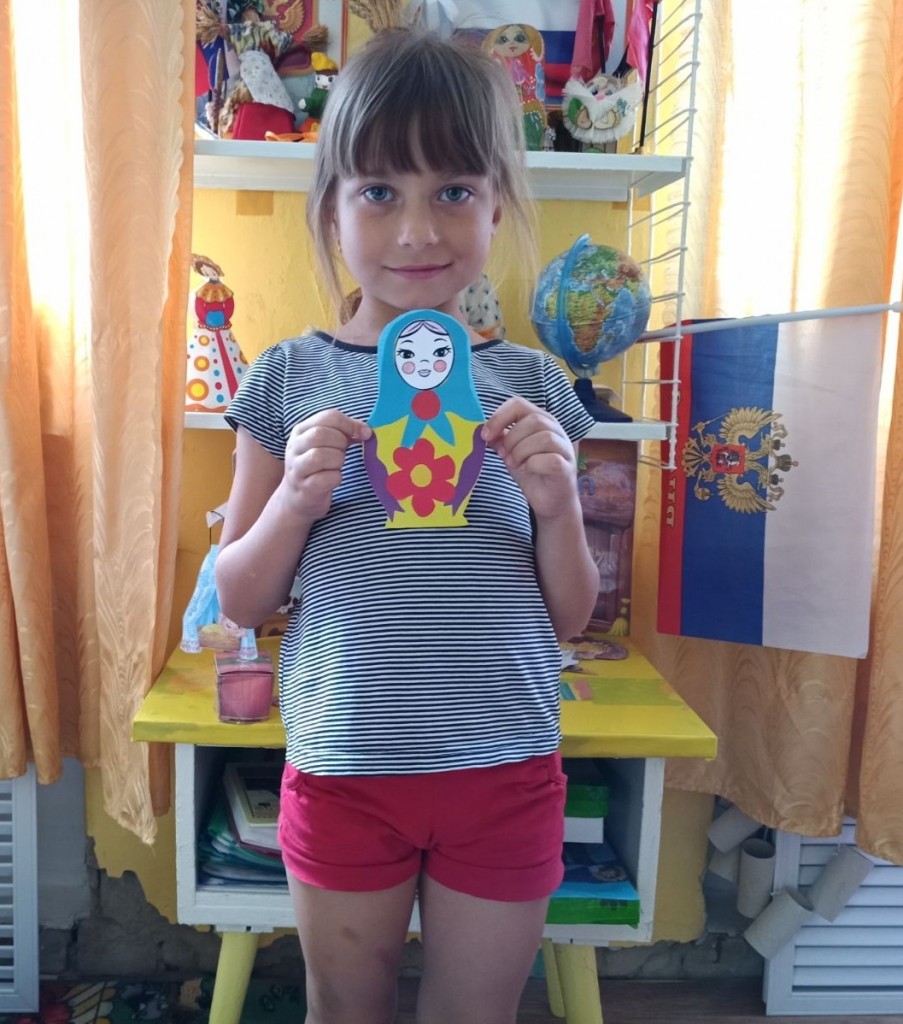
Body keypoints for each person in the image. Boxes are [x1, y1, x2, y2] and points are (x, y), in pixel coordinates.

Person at [215, 26, 600, 1024]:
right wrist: (295, 502)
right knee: (345, 1011)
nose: (419, 229)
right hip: (347, 769)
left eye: (454, 191)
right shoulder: (287, 379)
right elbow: (240, 598)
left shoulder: (534, 386)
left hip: (506, 768)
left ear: (498, 203)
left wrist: (557, 505)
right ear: (331, 208)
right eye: (381, 191)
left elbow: (571, 614)